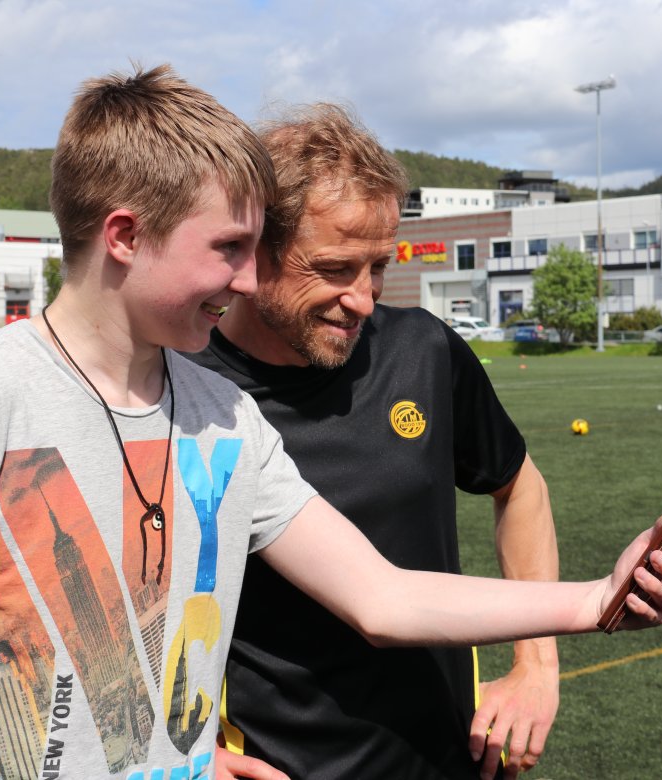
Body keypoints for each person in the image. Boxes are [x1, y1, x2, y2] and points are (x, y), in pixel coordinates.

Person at [0, 66, 662, 780]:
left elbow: (382, 596)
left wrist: (592, 601)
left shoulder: (222, 414)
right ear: (124, 235)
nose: (246, 281)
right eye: (229, 249)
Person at [184, 104, 556, 780]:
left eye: (377, 267)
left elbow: (520, 485)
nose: (362, 298)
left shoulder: (424, 352)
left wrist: (536, 663)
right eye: (332, 268)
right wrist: (189, 758)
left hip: (456, 763)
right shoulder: (184, 393)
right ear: (252, 251)